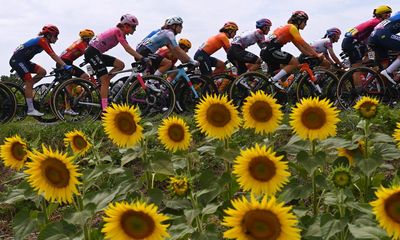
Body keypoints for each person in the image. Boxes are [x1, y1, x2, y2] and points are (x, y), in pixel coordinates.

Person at [84, 14, 145, 111]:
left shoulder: (120, 33)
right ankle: (104, 109)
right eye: (134, 27)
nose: (135, 30)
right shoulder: (117, 31)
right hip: (92, 52)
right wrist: (142, 58)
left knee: (120, 65)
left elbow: (128, 48)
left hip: (96, 53)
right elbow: (127, 48)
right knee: (105, 81)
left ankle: (104, 80)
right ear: (126, 26)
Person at [9, 24, 72, 116]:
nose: (57, 38)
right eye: (56, 36)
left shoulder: (43, 40)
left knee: (42, 72)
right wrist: (65, 65)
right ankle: (30, 110)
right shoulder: (42, 40)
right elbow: (52, 55)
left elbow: (53, 54)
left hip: (23, 60)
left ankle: (28, 88)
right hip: (17, 60)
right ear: (49, 35)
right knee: (29, 81)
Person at [260, 11, 322, 90]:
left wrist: (310, 55)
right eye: (305, 22)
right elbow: (303, 43)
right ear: (299, 21)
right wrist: (316, 54)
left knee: (281, 73)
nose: (306, 24)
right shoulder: (292, 28)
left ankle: (271, 85)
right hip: (271, 50)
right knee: (294, 62)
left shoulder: (289, 28)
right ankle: (273, 80)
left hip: (267, 51)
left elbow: (300, 47)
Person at [369, 11, 400, 84]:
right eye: (387, 12)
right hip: (382, 35)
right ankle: (388, 71)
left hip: (373, 38)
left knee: (384, 63)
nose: (388, 14)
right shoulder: (376, 21)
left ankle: (375, 84)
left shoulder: (395, 16)